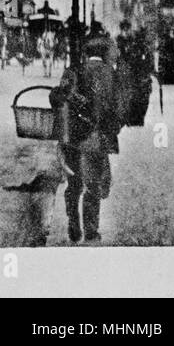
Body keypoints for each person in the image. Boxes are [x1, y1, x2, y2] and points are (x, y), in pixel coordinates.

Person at [50, 32, 126, 243]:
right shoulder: (112, 74)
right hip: (97, 138)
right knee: (93, 187)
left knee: (74, 183)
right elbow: (120, 109)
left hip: (73, 137)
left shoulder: (73, 70)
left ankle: (73, 222)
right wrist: (112, 130)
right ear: (104, 53)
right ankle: (91, 230)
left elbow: (56, 99)